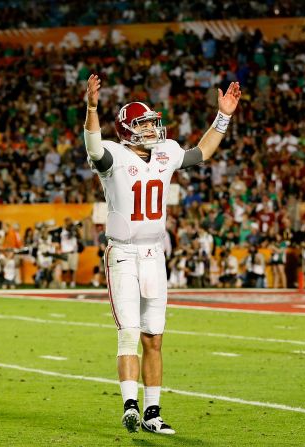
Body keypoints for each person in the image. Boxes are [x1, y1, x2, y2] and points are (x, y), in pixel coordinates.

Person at [84, 73, 240, 434]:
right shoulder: (115, 157)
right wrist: (92, 108)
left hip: (154, 253)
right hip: (123, 253)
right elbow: (93, 147)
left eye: (154, 122)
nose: (153, 129)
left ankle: (153, 413)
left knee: (154, 336)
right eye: (144, 124)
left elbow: (202, 152)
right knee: (129, 331)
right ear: (126, 129)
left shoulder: (166, 154)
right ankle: (130, 406)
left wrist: (224, 116)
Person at [59, 218, 81, 288]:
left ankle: (72, 282)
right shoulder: (63, 231)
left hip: (73, 252)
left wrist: (77, 229)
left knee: (73, 269)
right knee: (64, 269)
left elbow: (79, 237)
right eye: (68, 222)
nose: (69, 223)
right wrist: (73, 227)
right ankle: (64, 282)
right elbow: (69, 235)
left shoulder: (74, 230)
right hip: (65, 252)